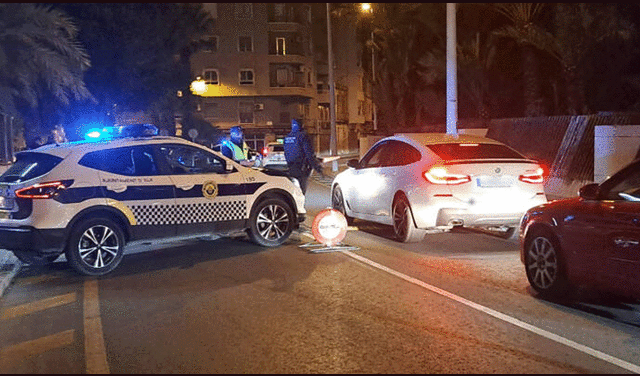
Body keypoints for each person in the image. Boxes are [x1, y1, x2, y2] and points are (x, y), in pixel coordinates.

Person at [283, 118, 323, 194]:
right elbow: (309, 153)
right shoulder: (303, 136)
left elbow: (286, 153)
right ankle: (300, 205)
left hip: (291, 168)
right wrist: (317, 166)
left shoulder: (287, 137)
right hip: (302, 168)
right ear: (301, 125)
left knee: (293, 190)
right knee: (301, 191)